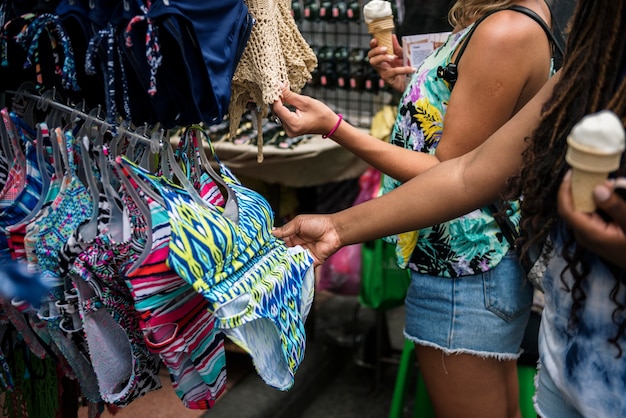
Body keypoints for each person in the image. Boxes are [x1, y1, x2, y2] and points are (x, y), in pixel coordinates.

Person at [271, 1, 626, 416]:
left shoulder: (508, 28)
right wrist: (336, 227)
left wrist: (333, 127)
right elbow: (468, 173)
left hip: (467, 264)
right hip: (565, 356)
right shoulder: (590, 65)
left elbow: (453, 167)